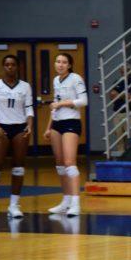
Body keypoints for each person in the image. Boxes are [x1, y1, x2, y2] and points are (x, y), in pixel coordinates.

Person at [46, 53, 87, 217]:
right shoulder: (56, 80)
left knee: (70, 162)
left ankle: (76, 203)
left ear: (69, 65)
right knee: (60, 164)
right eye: (58, 61)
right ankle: (66, 201)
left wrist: (62, 103)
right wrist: (48, 127)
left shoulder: (75, 78)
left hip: (71, 122)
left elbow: (83, 101)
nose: (60, 64)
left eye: (64, 62)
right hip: (57, 124)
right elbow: (55, 106)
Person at [0, 55, 34, 219]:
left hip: (20, 127)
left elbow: (29, 108)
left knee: (19, 165)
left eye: (13, 64)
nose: (10, 67)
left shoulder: (25, 86)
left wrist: (30, 125)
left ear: (17, 67)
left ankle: (14, 205)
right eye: (7, 64)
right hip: (1, 127)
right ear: (3, 67)